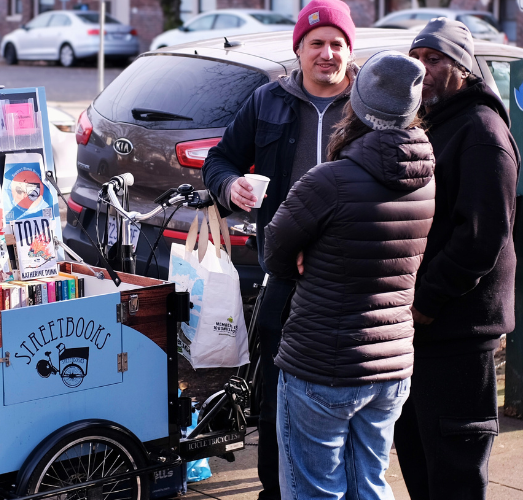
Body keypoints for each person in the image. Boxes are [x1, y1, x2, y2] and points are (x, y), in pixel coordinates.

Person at [200, 1, 357, 497]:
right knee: (276, 392)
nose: (327, 54)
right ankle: (274, 488)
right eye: (317, 43)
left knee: (345, 395)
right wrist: (230, 187)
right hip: (283, 272)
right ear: (299, 49)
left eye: (337, 44)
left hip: (351, 278)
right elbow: (219, 161)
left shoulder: (367, 106)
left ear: (350, 51)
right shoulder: (267, 101)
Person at [263, 50, 434, 500]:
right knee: (370, 485)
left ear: (355, 106)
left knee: (315, 491)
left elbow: (274, 252)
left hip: (324, 364)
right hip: (391, 364)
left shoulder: (329, 181)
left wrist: (303, 256)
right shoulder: (425, 179)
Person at [393, 19, 520, 500]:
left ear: (463, 68)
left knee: (455, 466)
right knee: (418, 455)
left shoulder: (482, 132)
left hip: (458, 328)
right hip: (421, 327)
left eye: (434, 59)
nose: (421, 69)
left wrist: (427, 299)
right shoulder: (432, 121)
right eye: (415, 59)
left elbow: (481, 238)